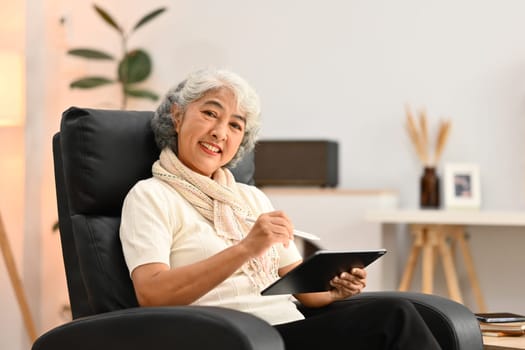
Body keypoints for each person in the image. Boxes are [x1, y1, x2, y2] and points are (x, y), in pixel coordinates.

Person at [119, 68, 441, 349]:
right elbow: (152, 293)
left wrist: (335, 289)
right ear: (177, 116)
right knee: (394, 319)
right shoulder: (150, 196)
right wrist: (246, 248)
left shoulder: (250, 199)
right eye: (209, 113)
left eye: (235, 125)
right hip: (230, 338)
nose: (219, 132)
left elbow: (305, 294)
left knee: (400, 312)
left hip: (287, 330)